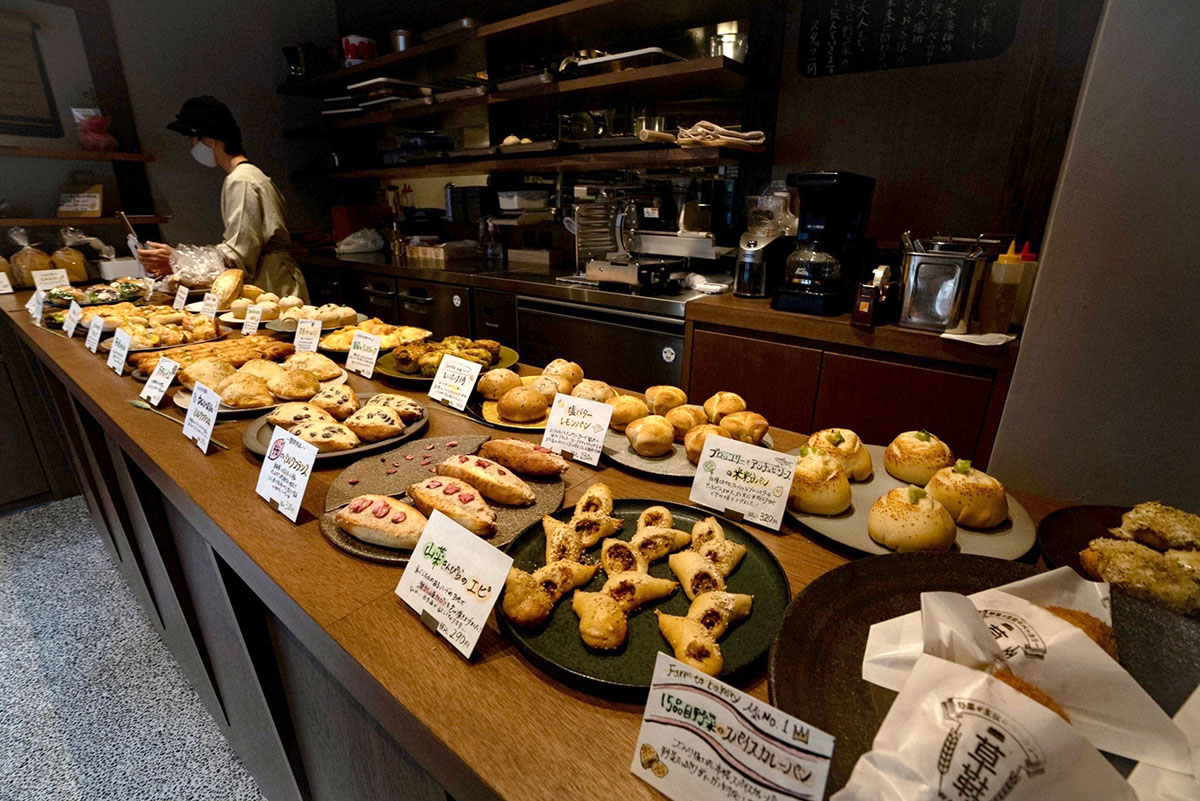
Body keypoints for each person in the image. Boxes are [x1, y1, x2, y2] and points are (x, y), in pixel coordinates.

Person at [137, 95, 308, 300]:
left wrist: (177, 261)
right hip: (272, 279)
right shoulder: (248, 176)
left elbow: (237, 256)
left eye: (192, 139)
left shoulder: (241, 180)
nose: (192, 146)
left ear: (208, 138)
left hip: (272, 285)